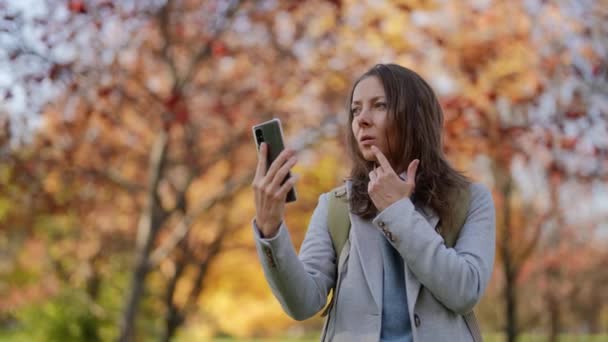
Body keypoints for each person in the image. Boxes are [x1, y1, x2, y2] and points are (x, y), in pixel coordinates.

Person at [251, 63, 496, 342]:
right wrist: (269, 231)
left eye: (379, 105)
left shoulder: (471, 200)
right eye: (356, 110)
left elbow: (464, 292)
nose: (362, 120)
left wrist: (398, 212)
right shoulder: (335, 206)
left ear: (415, 117)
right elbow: (302, 303)